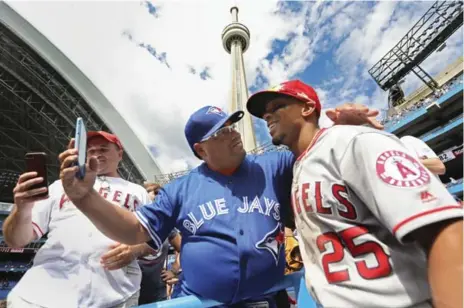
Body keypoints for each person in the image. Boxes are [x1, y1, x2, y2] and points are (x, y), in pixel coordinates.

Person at [56, 104, 380, 307]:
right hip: (200, 302)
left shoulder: (275, 165)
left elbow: (321, 157)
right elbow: (134, 230)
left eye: (232, 125)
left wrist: (343, 131)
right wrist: (87, 198)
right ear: (201, 149)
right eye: (221, 131)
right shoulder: (179, 189)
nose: (233, 134)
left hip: (267, 299)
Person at [246, 79, 464, 308]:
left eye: (277, 107)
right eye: (264, 114)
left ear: (307, 108)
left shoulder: (352, 141)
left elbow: (445, 230)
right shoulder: (300, 167)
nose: (267, 117)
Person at [3, 131, 153, 308]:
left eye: (103, 149)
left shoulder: (138, 191)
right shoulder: (58, 186)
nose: (96, 153)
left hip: (115, 294)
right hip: (42, 294)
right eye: (90, 150)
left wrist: (135, 249)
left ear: (120, 154)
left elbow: (155, 238)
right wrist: (22, 209)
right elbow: (15, 240)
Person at [137, 182, 181, 305]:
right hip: (130, 292)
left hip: (156, 294)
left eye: (158, 194)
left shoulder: (166, 226)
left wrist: (174, 270)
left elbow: (183, 248)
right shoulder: (129, 224)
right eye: (152, 192)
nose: (156, 196)